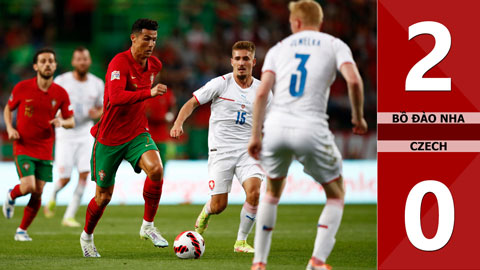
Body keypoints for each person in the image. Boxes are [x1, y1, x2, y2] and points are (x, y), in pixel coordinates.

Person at [247, 1, 368, 269]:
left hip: (276, 127)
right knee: (336, 194)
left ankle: (259, 262)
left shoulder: (279, 48)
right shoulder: (334, 44)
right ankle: (316, 261)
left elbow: (262, 92)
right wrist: (357, 117)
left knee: (272, 192)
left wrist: (256, 136)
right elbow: (355, 81)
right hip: (310, 127)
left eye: (291, 20)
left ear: (298, 22)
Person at [170, 41, 272, 253]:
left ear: (253, 61)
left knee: (254, 193)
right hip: (221, 151)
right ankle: (206, 213)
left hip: (248, 152)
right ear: (231, 61)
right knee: (219, 206)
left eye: (246, 59)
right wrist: (179, 123)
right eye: (237, 58)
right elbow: (192, 103)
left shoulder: (263, 91)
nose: (241, 63)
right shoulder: (220, 84)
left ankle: (241, 242)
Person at [79, 18, 169, 257]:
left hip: (137, 132)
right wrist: (148, 93)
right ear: (134, 38)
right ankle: (87, 236)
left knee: (157, 170)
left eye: (154, 39)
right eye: (146, 38)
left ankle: (148, 226)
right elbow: (116, 97)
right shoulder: (119, 63)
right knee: (103, 197)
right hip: (109, 138)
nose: (151, 44)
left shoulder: (154, 65)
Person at [2, 48, 75, 241]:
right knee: (27, 186)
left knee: (38, 191)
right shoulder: (22, 88)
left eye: (51, 61)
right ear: (35, 66)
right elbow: (8, 109)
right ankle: (12, 194)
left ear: (56, 65)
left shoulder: (60, 93)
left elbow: (71, 121)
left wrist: (62, 122)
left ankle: (22, 231)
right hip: (24, 145)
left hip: (45, 148)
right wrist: (10, 128)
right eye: (43, 61)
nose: (47, 64)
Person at [43, 46, 104, 227]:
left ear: (89, 61)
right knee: (65, 178)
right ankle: (53, 194)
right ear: (73, 62)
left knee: (85, 175)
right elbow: (49, 101)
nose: (82, 62)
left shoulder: (97, 83)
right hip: (65, 133)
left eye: (85, 58)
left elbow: (103, 108)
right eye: (79, 59)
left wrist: (97, 113)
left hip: (86, 131)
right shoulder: (62, 81)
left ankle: (69, 216)